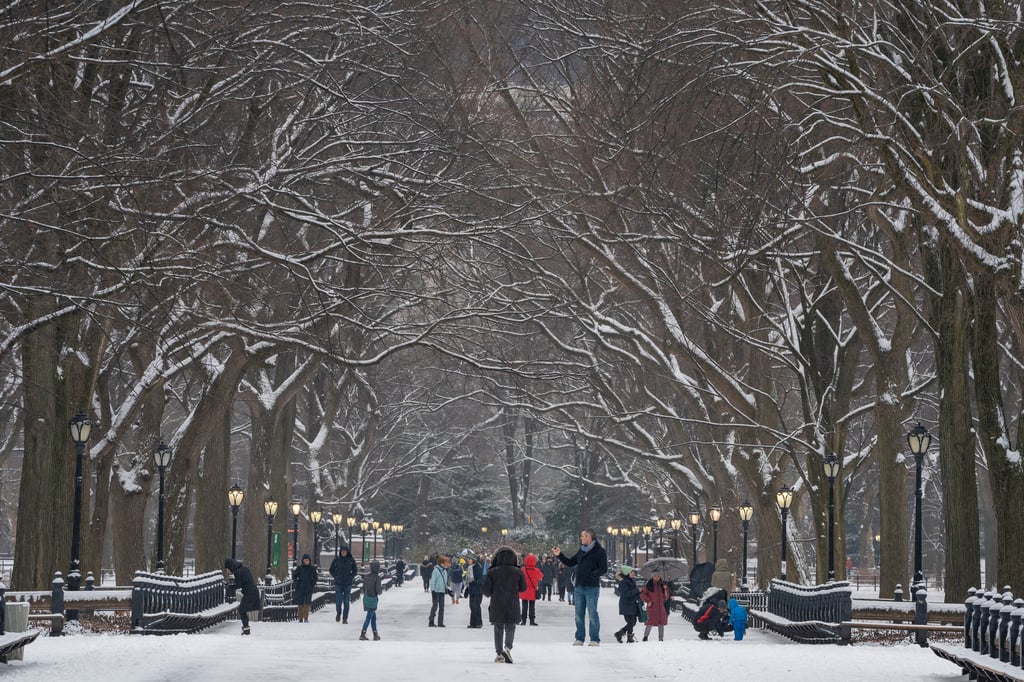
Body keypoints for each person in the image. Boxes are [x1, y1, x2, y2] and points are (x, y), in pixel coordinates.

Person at [553, 528, 608, 646]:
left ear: (589, 537)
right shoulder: (581, 551)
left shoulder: (599, 551)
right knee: (578, 613)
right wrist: (559, 555)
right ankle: (580, 637)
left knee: (592, 613)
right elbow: (570, 562)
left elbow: (603, 569)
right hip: (579, 587)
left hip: (591, 587)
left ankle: (594, 639)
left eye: (582, 536)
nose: (580, 538)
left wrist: (592, 574)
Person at [483, 545, 527, 664]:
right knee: (510, 626)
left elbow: (486, 590)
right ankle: (507, 648)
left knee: (498, 628)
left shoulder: (492, 571)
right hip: (512, 602)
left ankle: (499, 653)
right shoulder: (518, 571)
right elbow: (523, 588)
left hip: (497, 602)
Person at [224, 558, 260, 635]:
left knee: (242, 610)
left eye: (227, 569)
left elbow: (238, 585)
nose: (227, 571)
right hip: (251, 591)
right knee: (242, 610)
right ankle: (246, 628)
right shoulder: (243, 569)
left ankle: (246, 629)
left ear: (230, 567)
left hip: (250, 593)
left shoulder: (238, 572)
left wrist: (229, 587)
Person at [329, 545, 358, 623]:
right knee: (338, 601)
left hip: (347, 583)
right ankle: (338, 612)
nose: (343, 553)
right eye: (342, 551)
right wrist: (336, 576)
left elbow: (355, 570)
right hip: (338, 583)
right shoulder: (337, 559)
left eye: (344, 551)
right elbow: (331, 569)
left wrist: (351, 577)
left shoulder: (351, 560)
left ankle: (345, 618)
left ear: (347, 552)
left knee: (346, 601)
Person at [639, 570, 671, 641]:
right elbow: (642, 594)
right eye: (655, 576)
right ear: (652, 577)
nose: (657, 577)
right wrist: (648, 601)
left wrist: (665, 589)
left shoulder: (662, 586)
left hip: (660, 608)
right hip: (652, 607)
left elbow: (666, 597)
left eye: (658, 576)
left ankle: (661, 638)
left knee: (661, 623)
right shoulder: (649, 586)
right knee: (650, 622)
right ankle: (645, 637)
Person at [613, 566, 640, 643]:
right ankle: (629, 638)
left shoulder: (631, 581)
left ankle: (619, 633)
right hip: (626, 605)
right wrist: (636, 590)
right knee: (631, 622)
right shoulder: (623, 582)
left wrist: (639, 592)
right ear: (627, 573)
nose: (633, 573)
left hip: (632, 604)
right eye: (631, 572)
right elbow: (625, 594)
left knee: (633, 622)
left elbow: (633, 592)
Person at [359, 560, 383, 640]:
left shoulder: (366, 577)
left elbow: (363, 588)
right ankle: (363, 632)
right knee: (369, 616)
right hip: (373, 599)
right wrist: (380, 591)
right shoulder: (377, 578)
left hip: (366, 598)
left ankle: (375, 634)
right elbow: (378, 591)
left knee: (373, 617)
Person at [292, 553, 318, 623]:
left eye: (307, 560)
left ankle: (306, 617)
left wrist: (312, 584)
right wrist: (297, 583)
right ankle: (300, 618)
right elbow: (294, 576)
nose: (306, 561)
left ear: (309, 561)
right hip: (300, 587)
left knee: (306, 603)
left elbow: (315, 577)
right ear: (303, 561)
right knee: (300, 603)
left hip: (308, 588)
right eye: (305, 560)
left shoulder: (312, 569)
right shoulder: (299, 568)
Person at [518, 553, 543, 626]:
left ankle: (523, 620)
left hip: (524, 590)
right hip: (533, 590)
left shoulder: (523, 570)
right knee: (532, 606)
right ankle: (532, 620)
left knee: (524, 606)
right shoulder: (537, 570)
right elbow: (540, 578)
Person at [428, 555, 450, 627]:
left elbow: (444, 582)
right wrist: (433, 590)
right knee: (435, 606)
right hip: (436, 591)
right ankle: (431, 621)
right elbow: (433, 581)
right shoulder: (436, 570)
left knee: (442, 607)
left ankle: (440, 622)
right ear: (441, 563)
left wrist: (447, 589)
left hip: (442, 591)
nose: (446, 563)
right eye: (445, 562)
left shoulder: (444, 571)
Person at [465, 556, 484, 628]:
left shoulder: (478, 568)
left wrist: (475, 582)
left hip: (478, 590)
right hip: (471, 590)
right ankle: (472, 623)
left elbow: (481, 579)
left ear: (473, 560)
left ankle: (478, 623)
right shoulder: (469, 568)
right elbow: (468, 580)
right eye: (468, 559)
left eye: (470, 559)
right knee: (471, 606)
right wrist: (467, 589)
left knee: (476, 606)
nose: (468, 560)